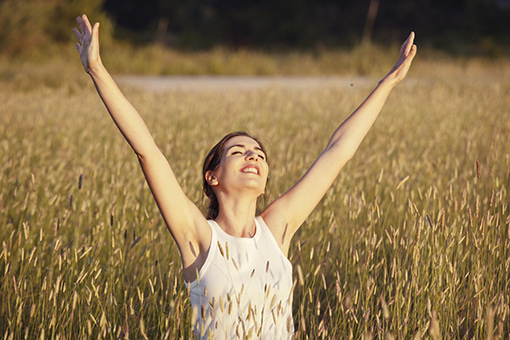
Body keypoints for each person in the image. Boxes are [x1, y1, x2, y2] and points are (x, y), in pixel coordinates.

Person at [73, 14, 417, 339]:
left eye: (260, 154)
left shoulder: (277, 228)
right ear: (212, 176)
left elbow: (337, 152)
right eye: (238, 152)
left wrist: (389, 82)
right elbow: (147, 150)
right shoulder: (198, 238)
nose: (253, 155)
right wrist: (98, 70)